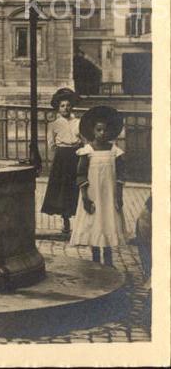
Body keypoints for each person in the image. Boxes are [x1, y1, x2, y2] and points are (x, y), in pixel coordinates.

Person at [70, 105, 126, 266]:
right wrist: (85, 197)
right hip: (93, 195)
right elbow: (80, 175)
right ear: (93, 131)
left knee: (107, 223)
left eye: (106, 130)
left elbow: (120, 176)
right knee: (94, 224)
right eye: (99, 130)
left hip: (109, 196)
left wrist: (119, 196)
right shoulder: (87, 151)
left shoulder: (115, 151)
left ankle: (108, 260)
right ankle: (95, 260)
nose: (102, 133)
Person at [41, 88, 82, 235]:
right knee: (63, 189)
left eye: (68, 105)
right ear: (58, 108)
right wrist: (60, 154)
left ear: (72, 106)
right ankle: (65, 220)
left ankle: (81, 221)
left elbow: (83, 140)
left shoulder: (78, 122)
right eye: (62, 106)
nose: (66, 108)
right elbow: (51, 144)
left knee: (76, 186)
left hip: (76, 155)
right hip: (62, 157)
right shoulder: (54, 124)